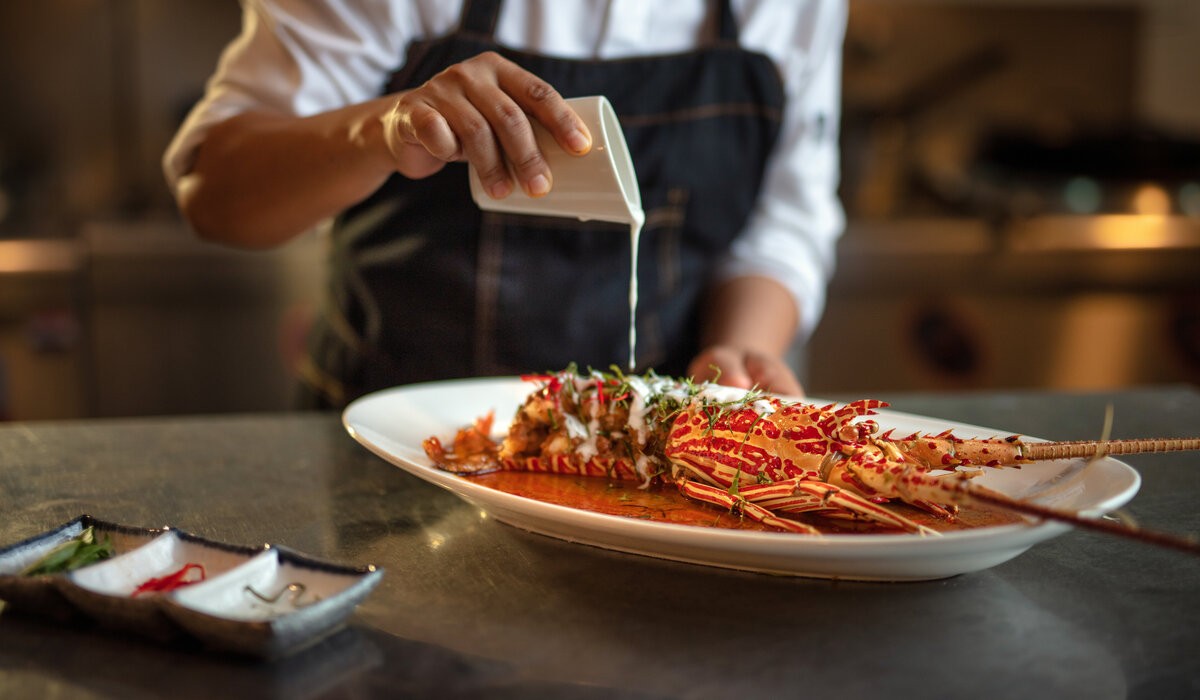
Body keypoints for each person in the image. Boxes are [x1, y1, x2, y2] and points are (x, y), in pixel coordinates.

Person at [164, 0, 847, 407]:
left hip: (655, 480)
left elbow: (782, 219)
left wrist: (741, 350)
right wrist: (384, 131)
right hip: (389, 462)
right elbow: (213, 190)